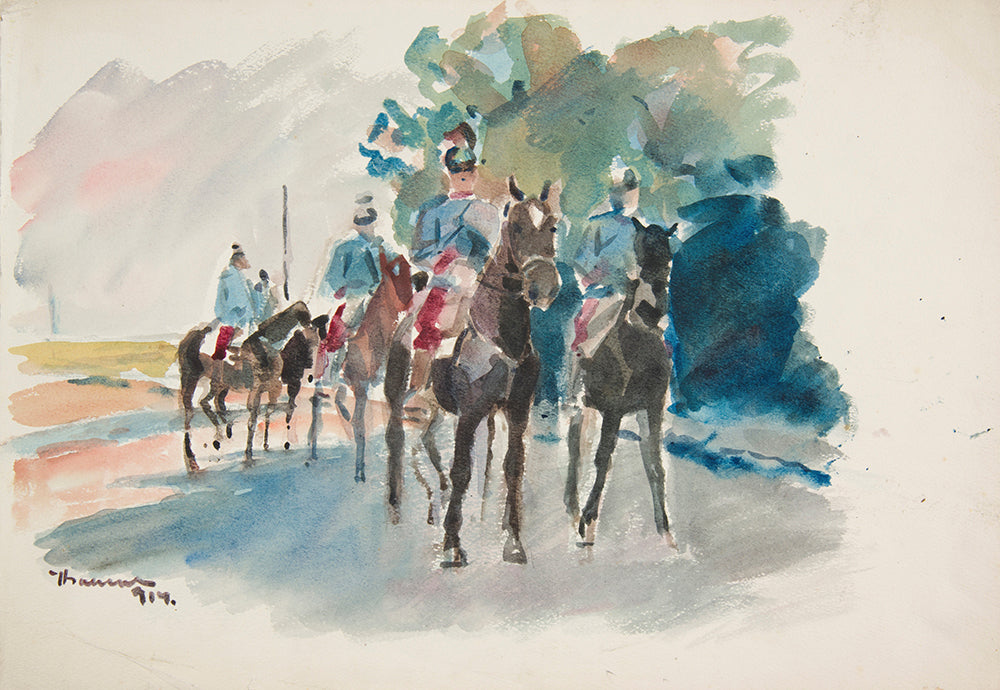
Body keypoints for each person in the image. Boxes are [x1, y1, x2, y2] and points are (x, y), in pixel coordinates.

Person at [407, 124, 500, 390]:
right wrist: (440, 260)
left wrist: (472, 262)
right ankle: (418, 387)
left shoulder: (488, 212)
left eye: (467, 171)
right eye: (457, 171)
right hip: (445, 284)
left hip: (480, 283)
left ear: (475, 173)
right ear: (449, 173)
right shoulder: (433, 212)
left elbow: (493, 250)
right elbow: (419, 253)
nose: (462, 176)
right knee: (429, 326)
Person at [212, 243, 269, 366]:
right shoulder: (230, 277)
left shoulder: (241, 278)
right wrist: (236, 317)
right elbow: (227, 303)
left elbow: (252, 304)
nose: (246, 261)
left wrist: (262, 287)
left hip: (244, 324)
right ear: (237, 260)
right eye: (244, 258)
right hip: (235, 324)